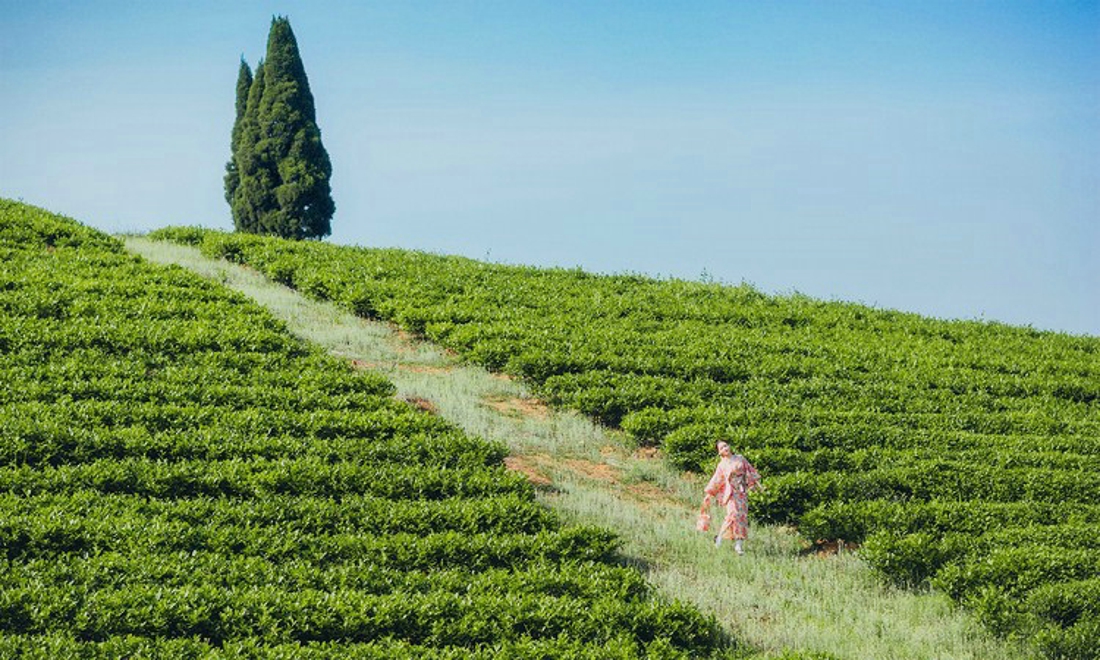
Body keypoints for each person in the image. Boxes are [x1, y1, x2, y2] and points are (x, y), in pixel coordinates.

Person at [699, 440, 761, 555]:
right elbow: (716, 480)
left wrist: (754, 484)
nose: (725, 448)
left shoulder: (740, 458)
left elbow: (749, 471)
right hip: (731, 492)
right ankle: (720, 538)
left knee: (741, 517)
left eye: (725, 445)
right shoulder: (722, 465)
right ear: (719, 453)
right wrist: (709, 493)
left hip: (741, 491)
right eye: (721, 448)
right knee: (732, 514)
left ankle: (739, 545)